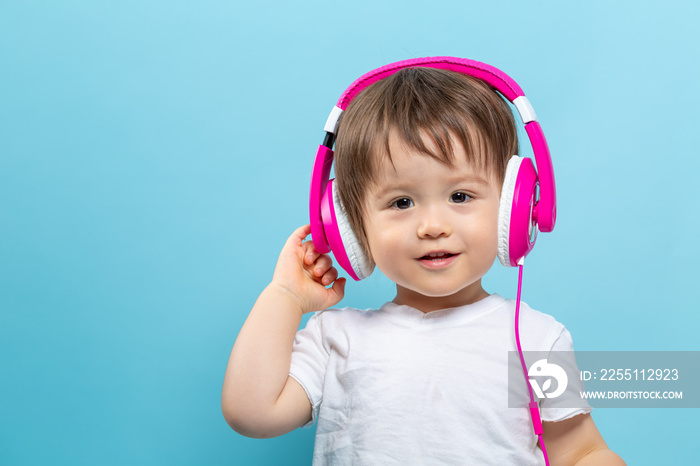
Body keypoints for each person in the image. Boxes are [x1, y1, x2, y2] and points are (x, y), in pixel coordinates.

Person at [222, 59, 625, 465]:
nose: (432, 226)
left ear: (515, 207)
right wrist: (285, 297)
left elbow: (581, 450)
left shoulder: (536, 341)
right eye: (401, 202)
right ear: (349, 225)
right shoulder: (337, 340)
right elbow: (251, 414)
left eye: (461, 196)